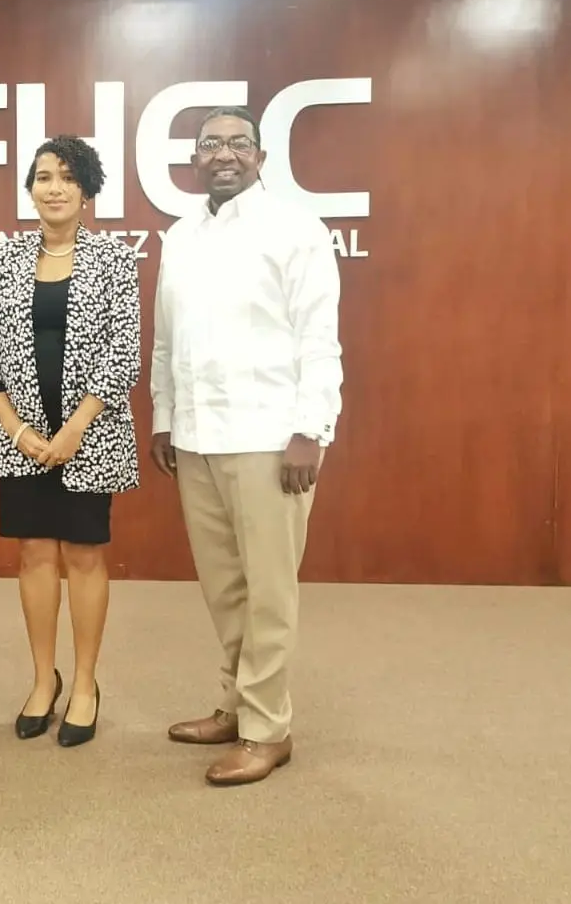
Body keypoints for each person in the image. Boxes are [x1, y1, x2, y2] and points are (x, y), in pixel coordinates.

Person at [151, 105, 343, 786]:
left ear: (261, 156)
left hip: (270, 439)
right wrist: (165, 416)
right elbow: (168, 339)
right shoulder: (180, 235)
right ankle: (237, 703)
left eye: (238, 143)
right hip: (197, 440)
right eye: (211, 144)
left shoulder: (296, 230)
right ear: (195, 158)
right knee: (225, 586)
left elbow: (319, 338)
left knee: (268, 591)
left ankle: (268, 729)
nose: (224, 153)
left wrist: (310, 429)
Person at [0, 136, 140, 747]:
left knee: (85, 555)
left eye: (68, 177)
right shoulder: (5, 261)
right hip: (20, 439)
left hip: (90, 437)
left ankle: (87, 685)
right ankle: (45, 680)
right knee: (36, 554)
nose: (55, 187)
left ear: (87, 191)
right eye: (43, 177)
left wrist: (72, 430)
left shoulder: (116, 261)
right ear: (30, 191)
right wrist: (15, 427)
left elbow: (123, 355)